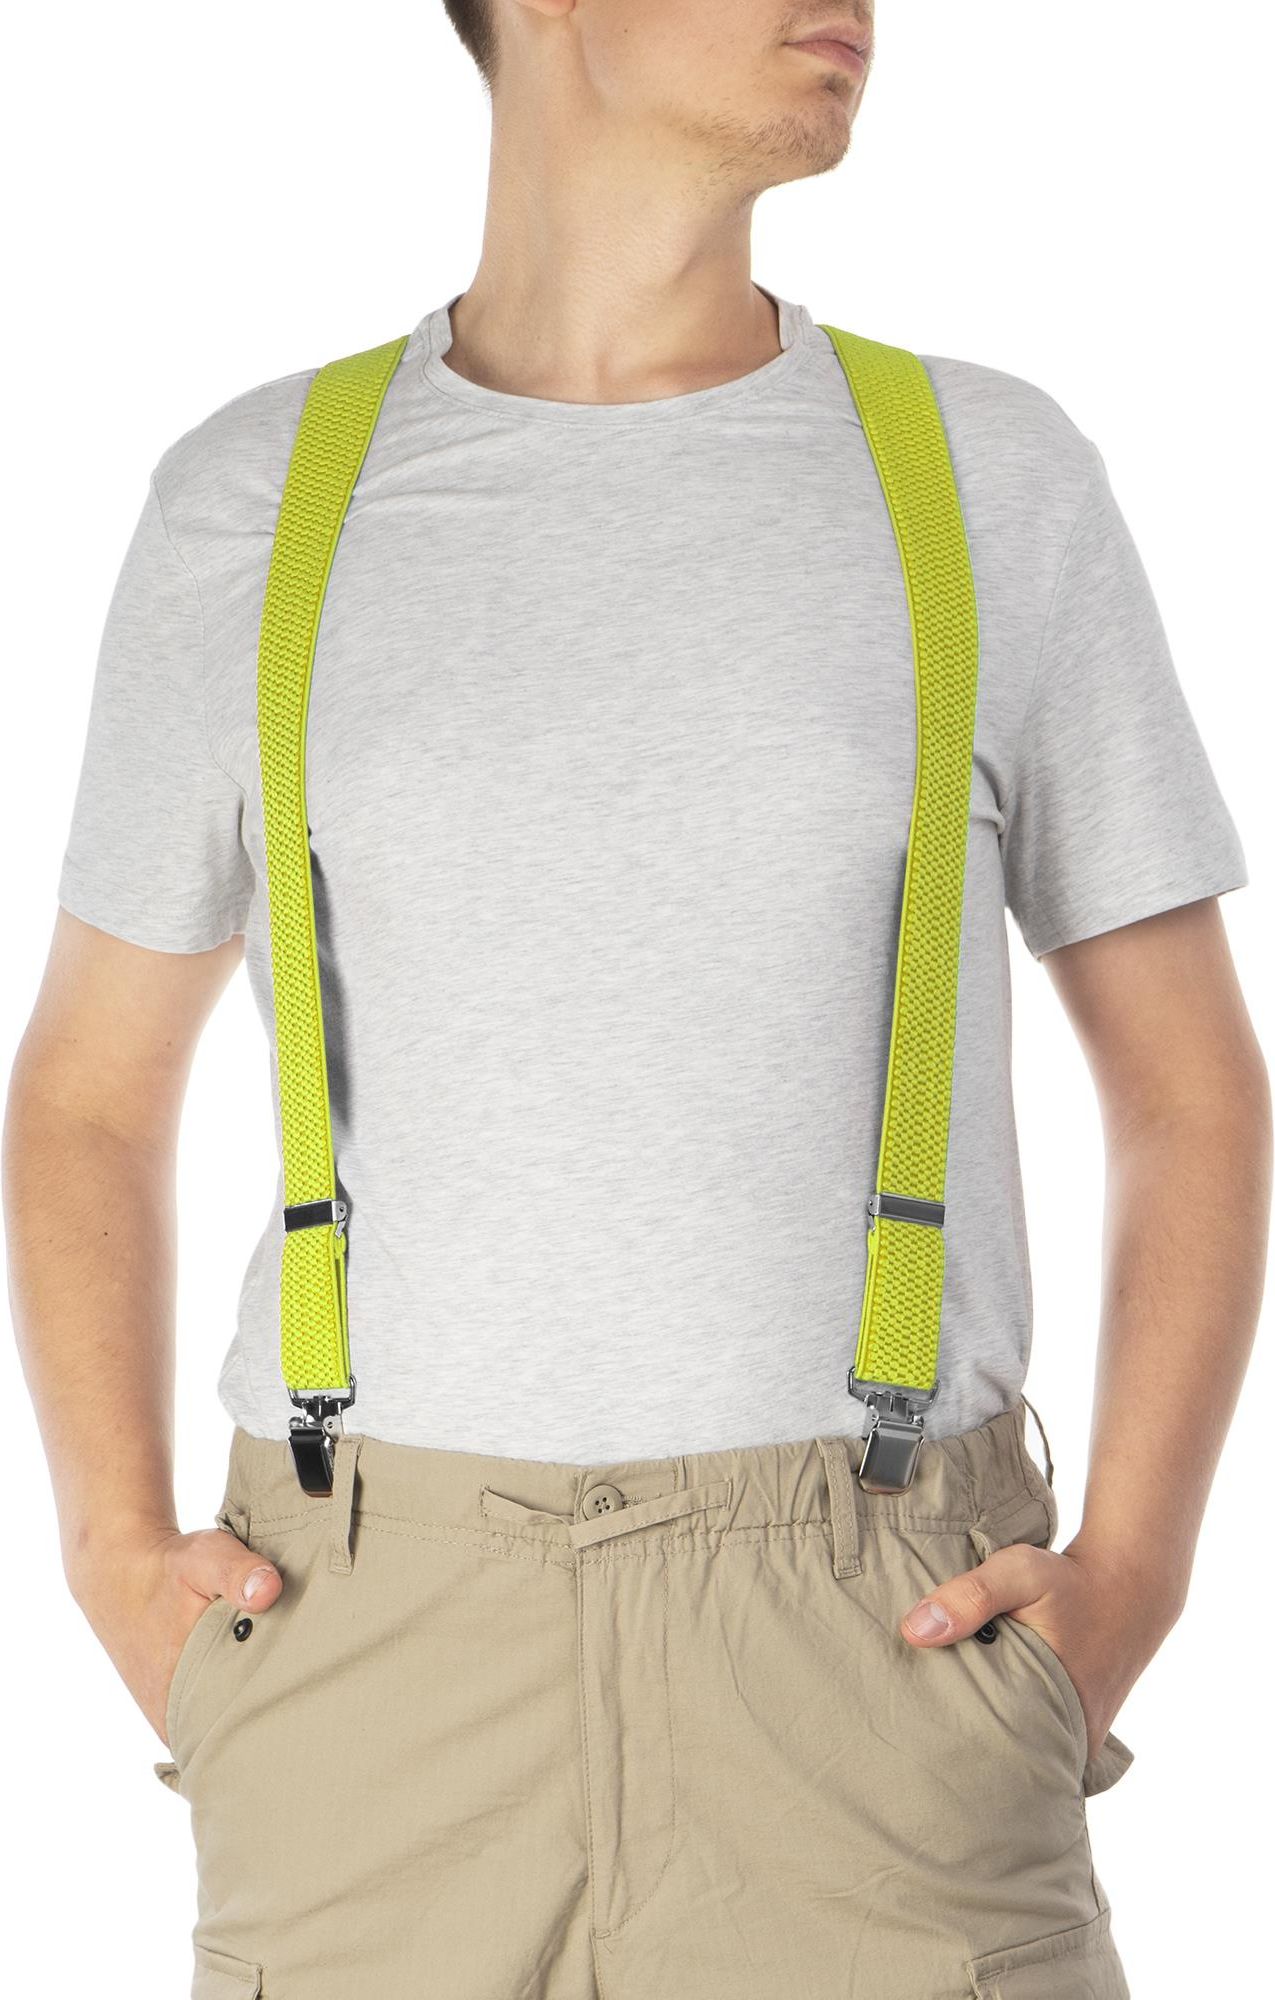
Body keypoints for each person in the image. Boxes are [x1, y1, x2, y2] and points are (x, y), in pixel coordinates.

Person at [4, 3, 1268, 1995]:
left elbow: (1190, 1085)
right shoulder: (255, 500)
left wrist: (1131, 1576)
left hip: (877, 1658)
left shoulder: (980, 477)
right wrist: (106, 1551)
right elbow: (88, 1088)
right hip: (370, 1668)